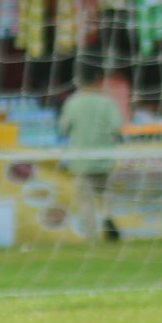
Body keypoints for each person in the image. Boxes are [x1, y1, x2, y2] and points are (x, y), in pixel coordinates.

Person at [58, 65, 124, 245]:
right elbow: (116, 126)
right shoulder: (107, 102)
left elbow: (63, 129)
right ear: (98, 80)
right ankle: (108, 217)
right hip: (104, 157)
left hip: (82, 159)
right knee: (107, 195)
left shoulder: (73, 103)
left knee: (86, 201)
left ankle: (91, 237)